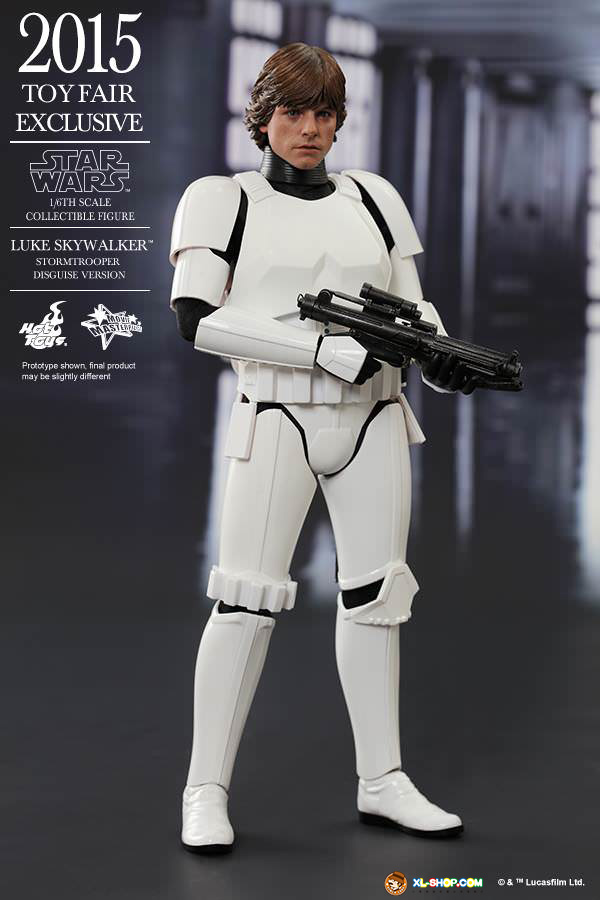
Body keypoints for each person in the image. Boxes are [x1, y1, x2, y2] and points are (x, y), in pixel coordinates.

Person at [170, 42, 468, 853]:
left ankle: (383, 778)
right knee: (245, 601)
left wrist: (439, 360)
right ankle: (205, 789)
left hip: (375, 416)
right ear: (262, 116)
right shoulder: (221, 200)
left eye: (324, 113)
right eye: (293, 111)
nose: (309, 128)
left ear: (340, 121)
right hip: (278, 415)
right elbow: (198, 319)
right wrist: (315, 351)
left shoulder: (374, 198)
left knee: (379, 597)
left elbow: (414, 311)